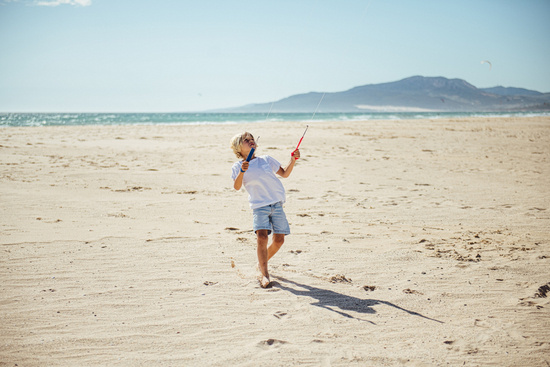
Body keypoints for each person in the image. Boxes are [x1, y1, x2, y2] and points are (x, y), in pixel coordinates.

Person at [230, 132, 300, 288]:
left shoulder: (266, 160)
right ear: (238, 148)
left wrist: (293, 159)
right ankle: (264, 274)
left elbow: (285, 173)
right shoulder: (237, 166)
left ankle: (262, 262)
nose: (251, 141)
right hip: (259, 206)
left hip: (276, 204)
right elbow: (236, 187)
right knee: (262, 238)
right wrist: (242, 171)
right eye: (246, 140)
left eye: (252, 139)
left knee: (279, 240)